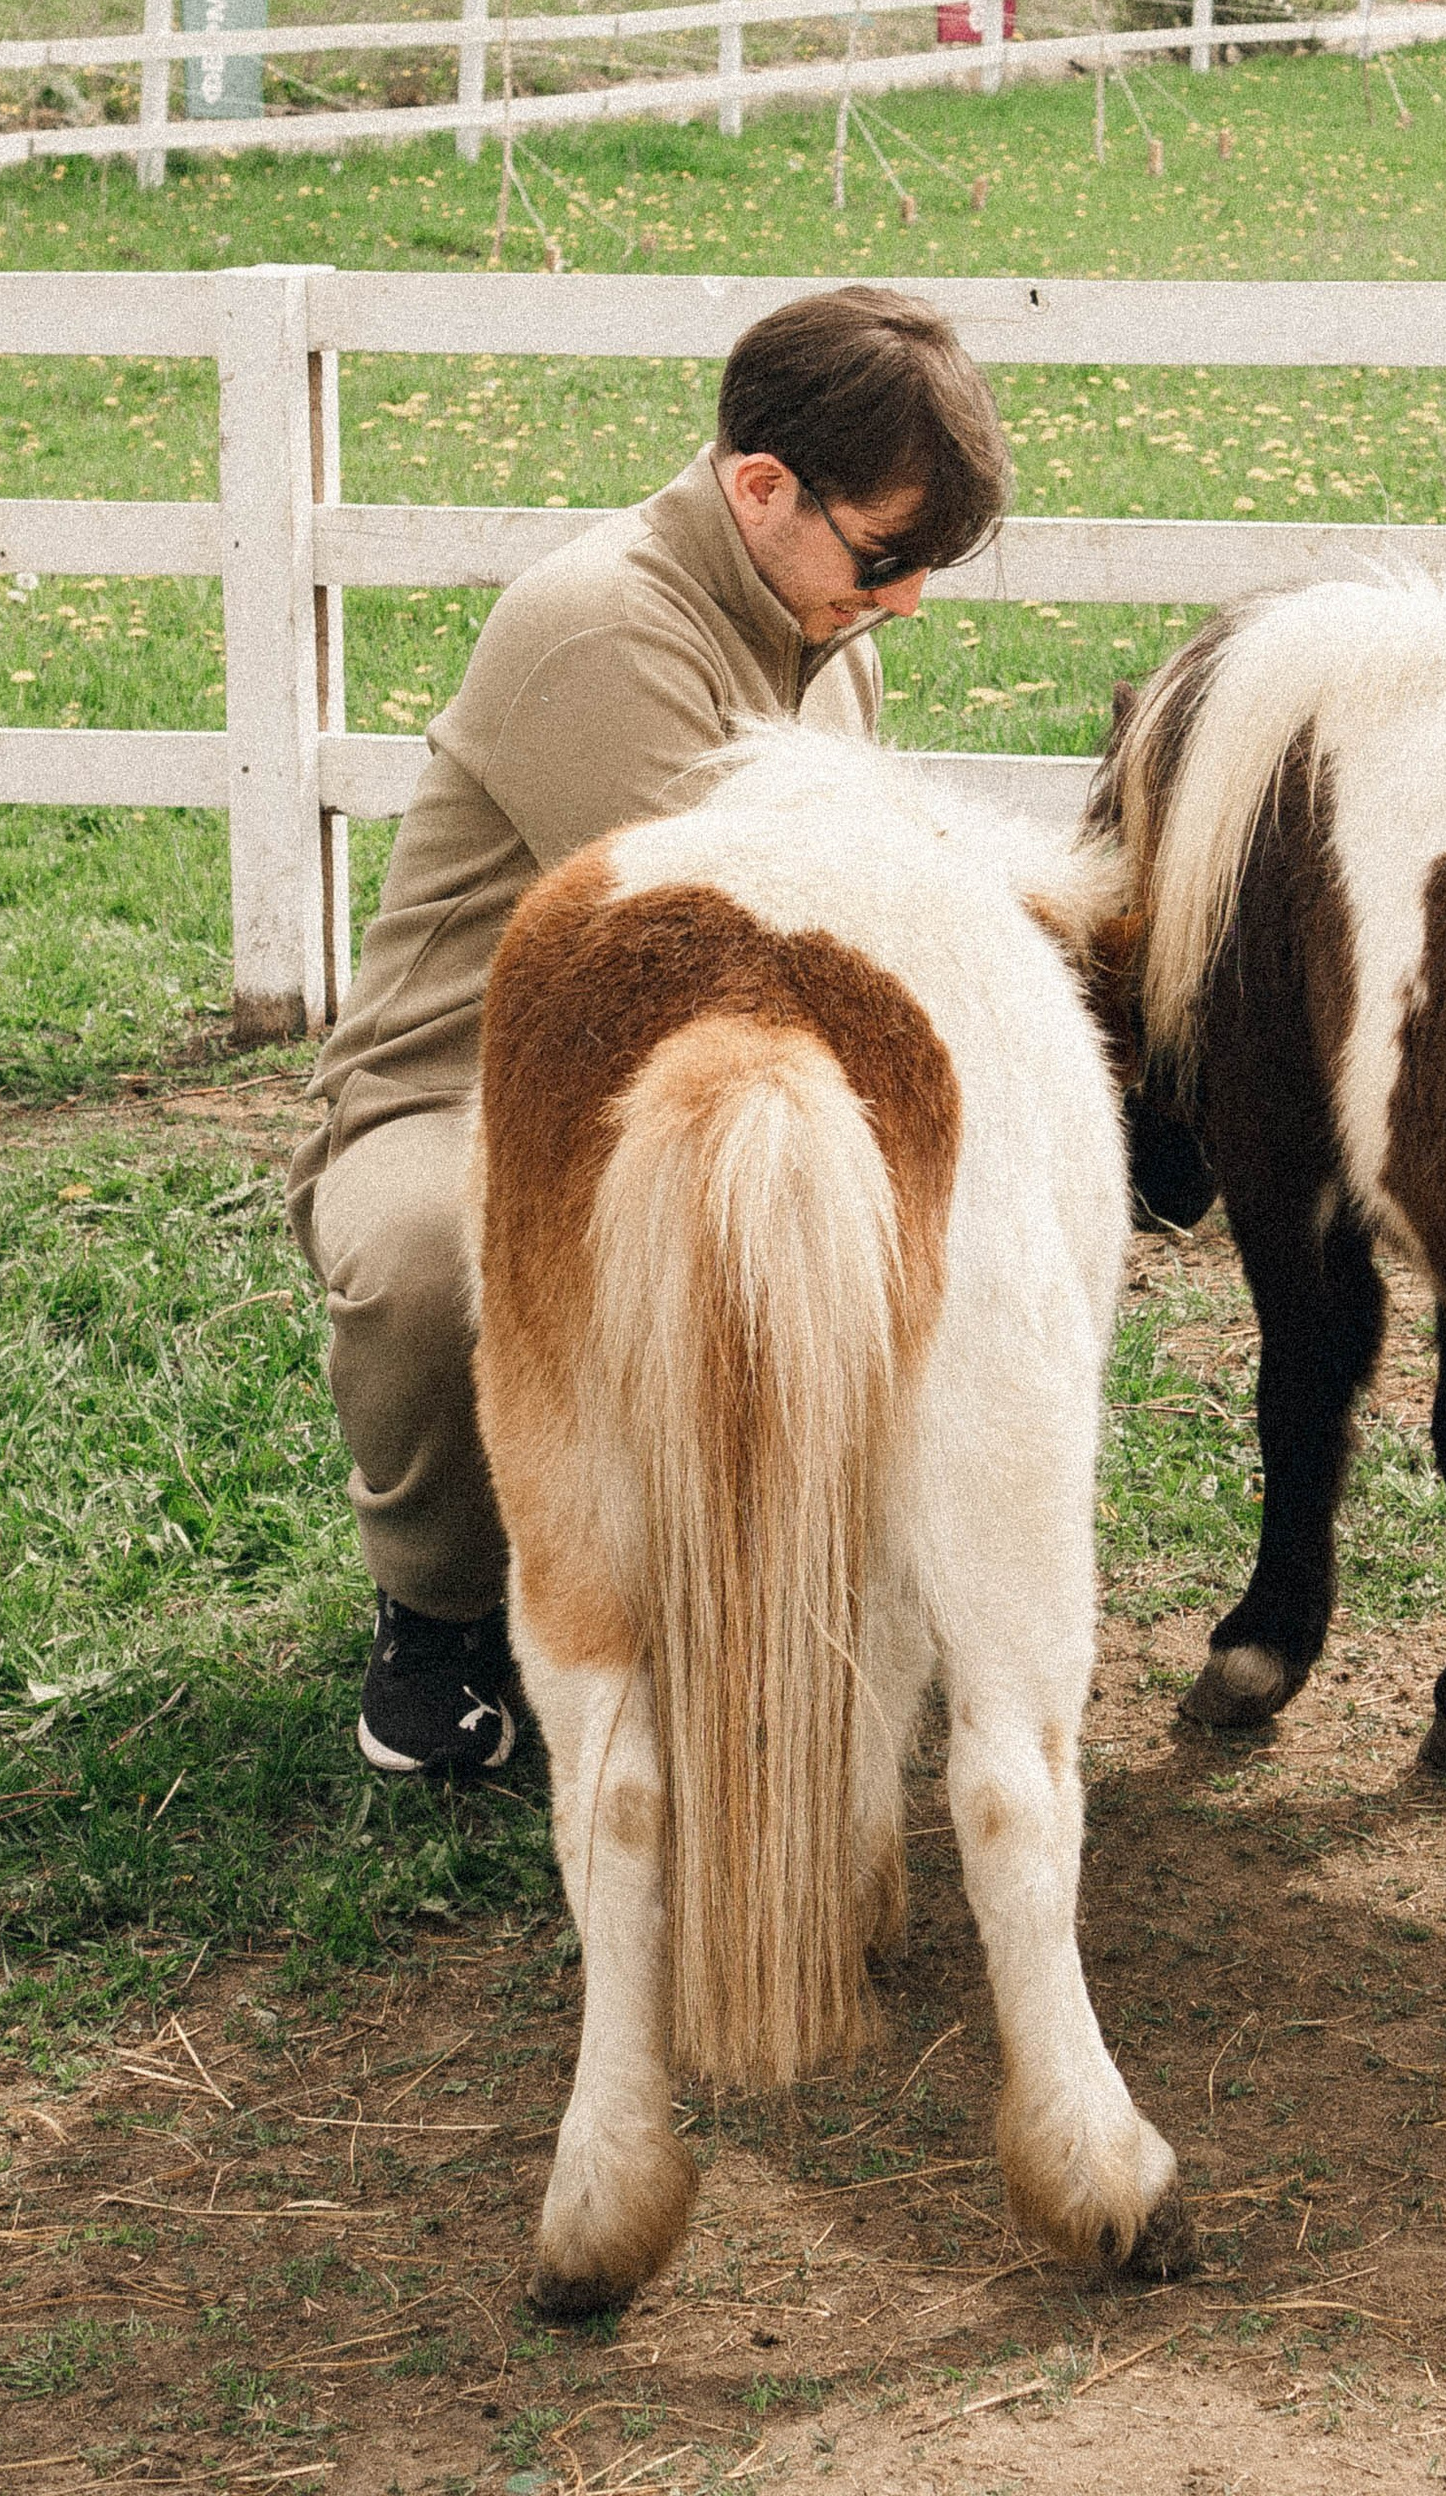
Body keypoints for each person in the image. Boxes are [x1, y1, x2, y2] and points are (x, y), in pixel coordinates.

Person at [286, 285, 1011, 1780]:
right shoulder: (603, 626)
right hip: (465, 1094)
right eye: (891, 554)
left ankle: (762, 1578)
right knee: (434, 1258)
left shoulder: (819, 630)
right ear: (762, 487)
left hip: (687, 1074)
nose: (910, 600)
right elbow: (735, 951)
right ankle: (438, 1616)